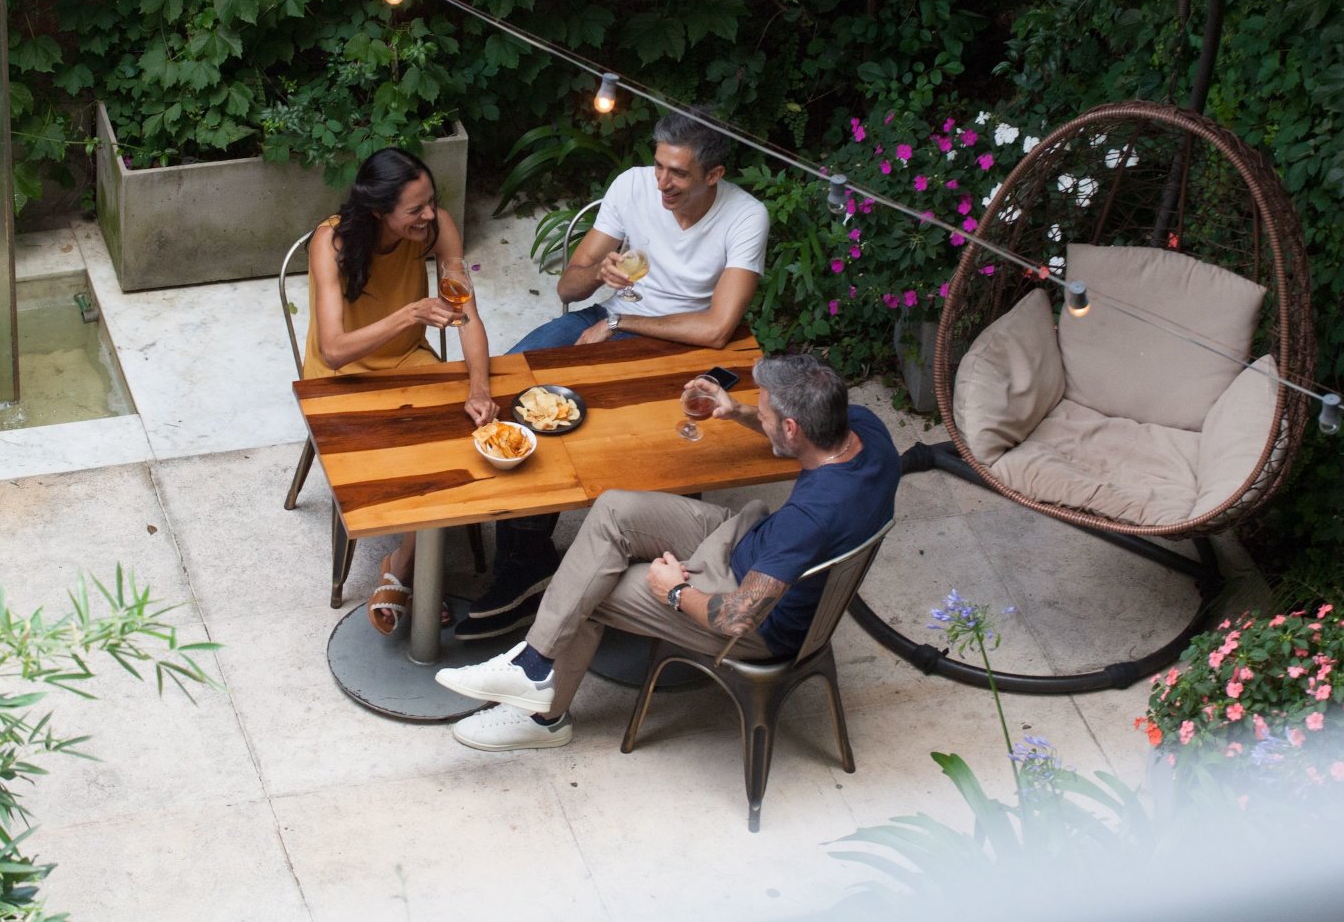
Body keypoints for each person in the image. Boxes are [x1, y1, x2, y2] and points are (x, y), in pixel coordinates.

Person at [434, 352, 899, 752]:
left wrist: (674, 591)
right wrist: (735, 411)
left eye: (765, 413)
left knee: (590, 585)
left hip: (755, 618)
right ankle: (533, 667)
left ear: (793, 427)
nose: (760, 417)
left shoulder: (811, 518)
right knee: (613, 509)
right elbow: (793, 444)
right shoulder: (863, 429)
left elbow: (737, 618)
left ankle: (544, 718)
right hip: (744, 539)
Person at [456, 109, 772, 643]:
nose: (662, 182)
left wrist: (622, 322)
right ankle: (527, 556)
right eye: (659, 165)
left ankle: (652, 562)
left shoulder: (745, 216)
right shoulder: (632, 185)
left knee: (615, 436)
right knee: (512, 392)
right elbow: (567, 289)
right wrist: (597, 276)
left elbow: (718, 328)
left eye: (679, 173)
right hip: (609, 315)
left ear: (714, 175)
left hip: (678, 342)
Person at [303, 147, 495, 635]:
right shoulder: (332, 242)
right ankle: (414, 566)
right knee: (402, 458)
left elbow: (467, 314)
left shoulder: (437, 227)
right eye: (415, 209)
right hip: (341, 378)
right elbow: (334, 350)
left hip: (409, 361)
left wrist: (478, 388)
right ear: (378, 211)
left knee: (466, 445)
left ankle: (404, 562)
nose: (429, 215)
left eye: (431, 201)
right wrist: (411, 313)